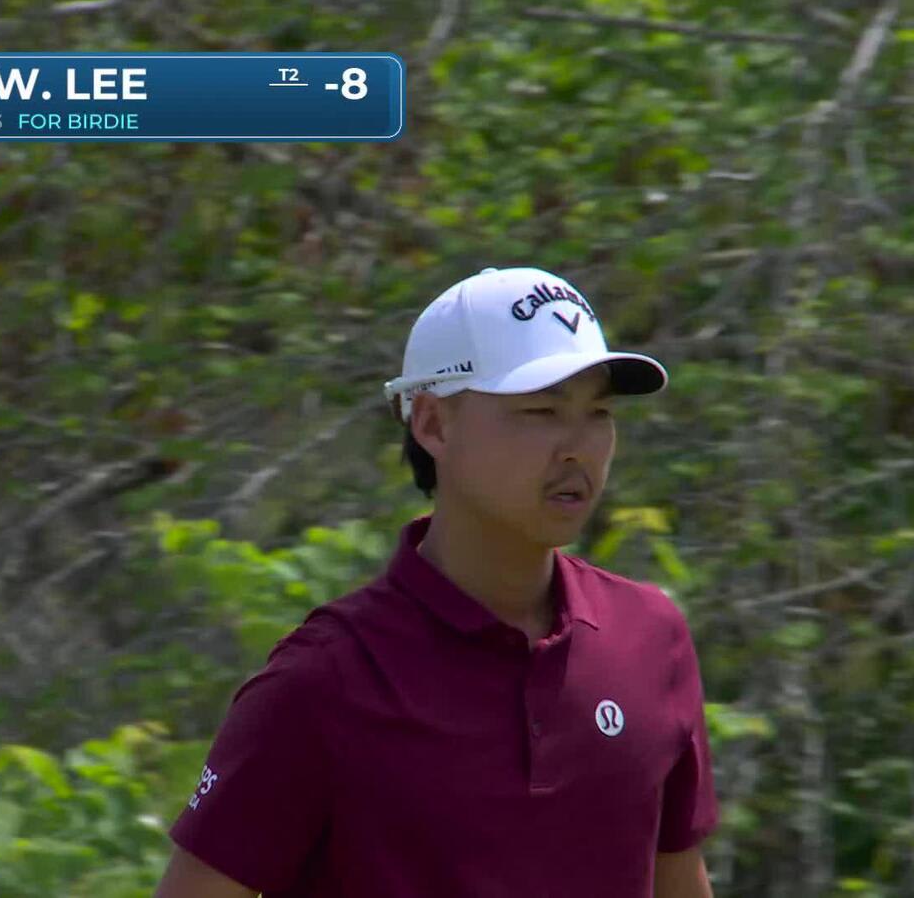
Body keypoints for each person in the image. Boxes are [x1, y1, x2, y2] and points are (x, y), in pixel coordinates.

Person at [155, 266, 718, 897]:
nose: (577, 447)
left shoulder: (649, 637)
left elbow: (677, 880)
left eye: (599, 413)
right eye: (540, 409)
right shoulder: (325, 681)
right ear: (432, 425)